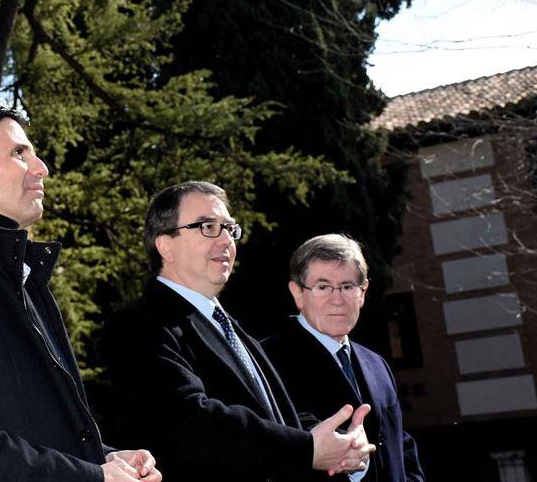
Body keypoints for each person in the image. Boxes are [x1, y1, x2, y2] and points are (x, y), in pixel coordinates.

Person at [0, 104, 162, 482]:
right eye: (19, 153)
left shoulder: (24, 279)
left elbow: (37, 432)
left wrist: (110, 460)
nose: (41, 168)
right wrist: (90, 478)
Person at [101, 181, 374, 482]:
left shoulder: (229, 326)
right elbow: (190, 423)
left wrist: (341, 443)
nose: (225, 241)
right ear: (165, 245)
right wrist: (307, 448)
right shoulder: (139, 325)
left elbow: (275, 416)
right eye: (207, 227)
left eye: (230, 229)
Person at [263, 235, 426, 482]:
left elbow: (400, 447)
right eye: (323, 287)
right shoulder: (267, 361)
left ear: (363, 292)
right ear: (297, 293)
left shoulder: (376, 364)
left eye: (348, 286)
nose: (337, 299)